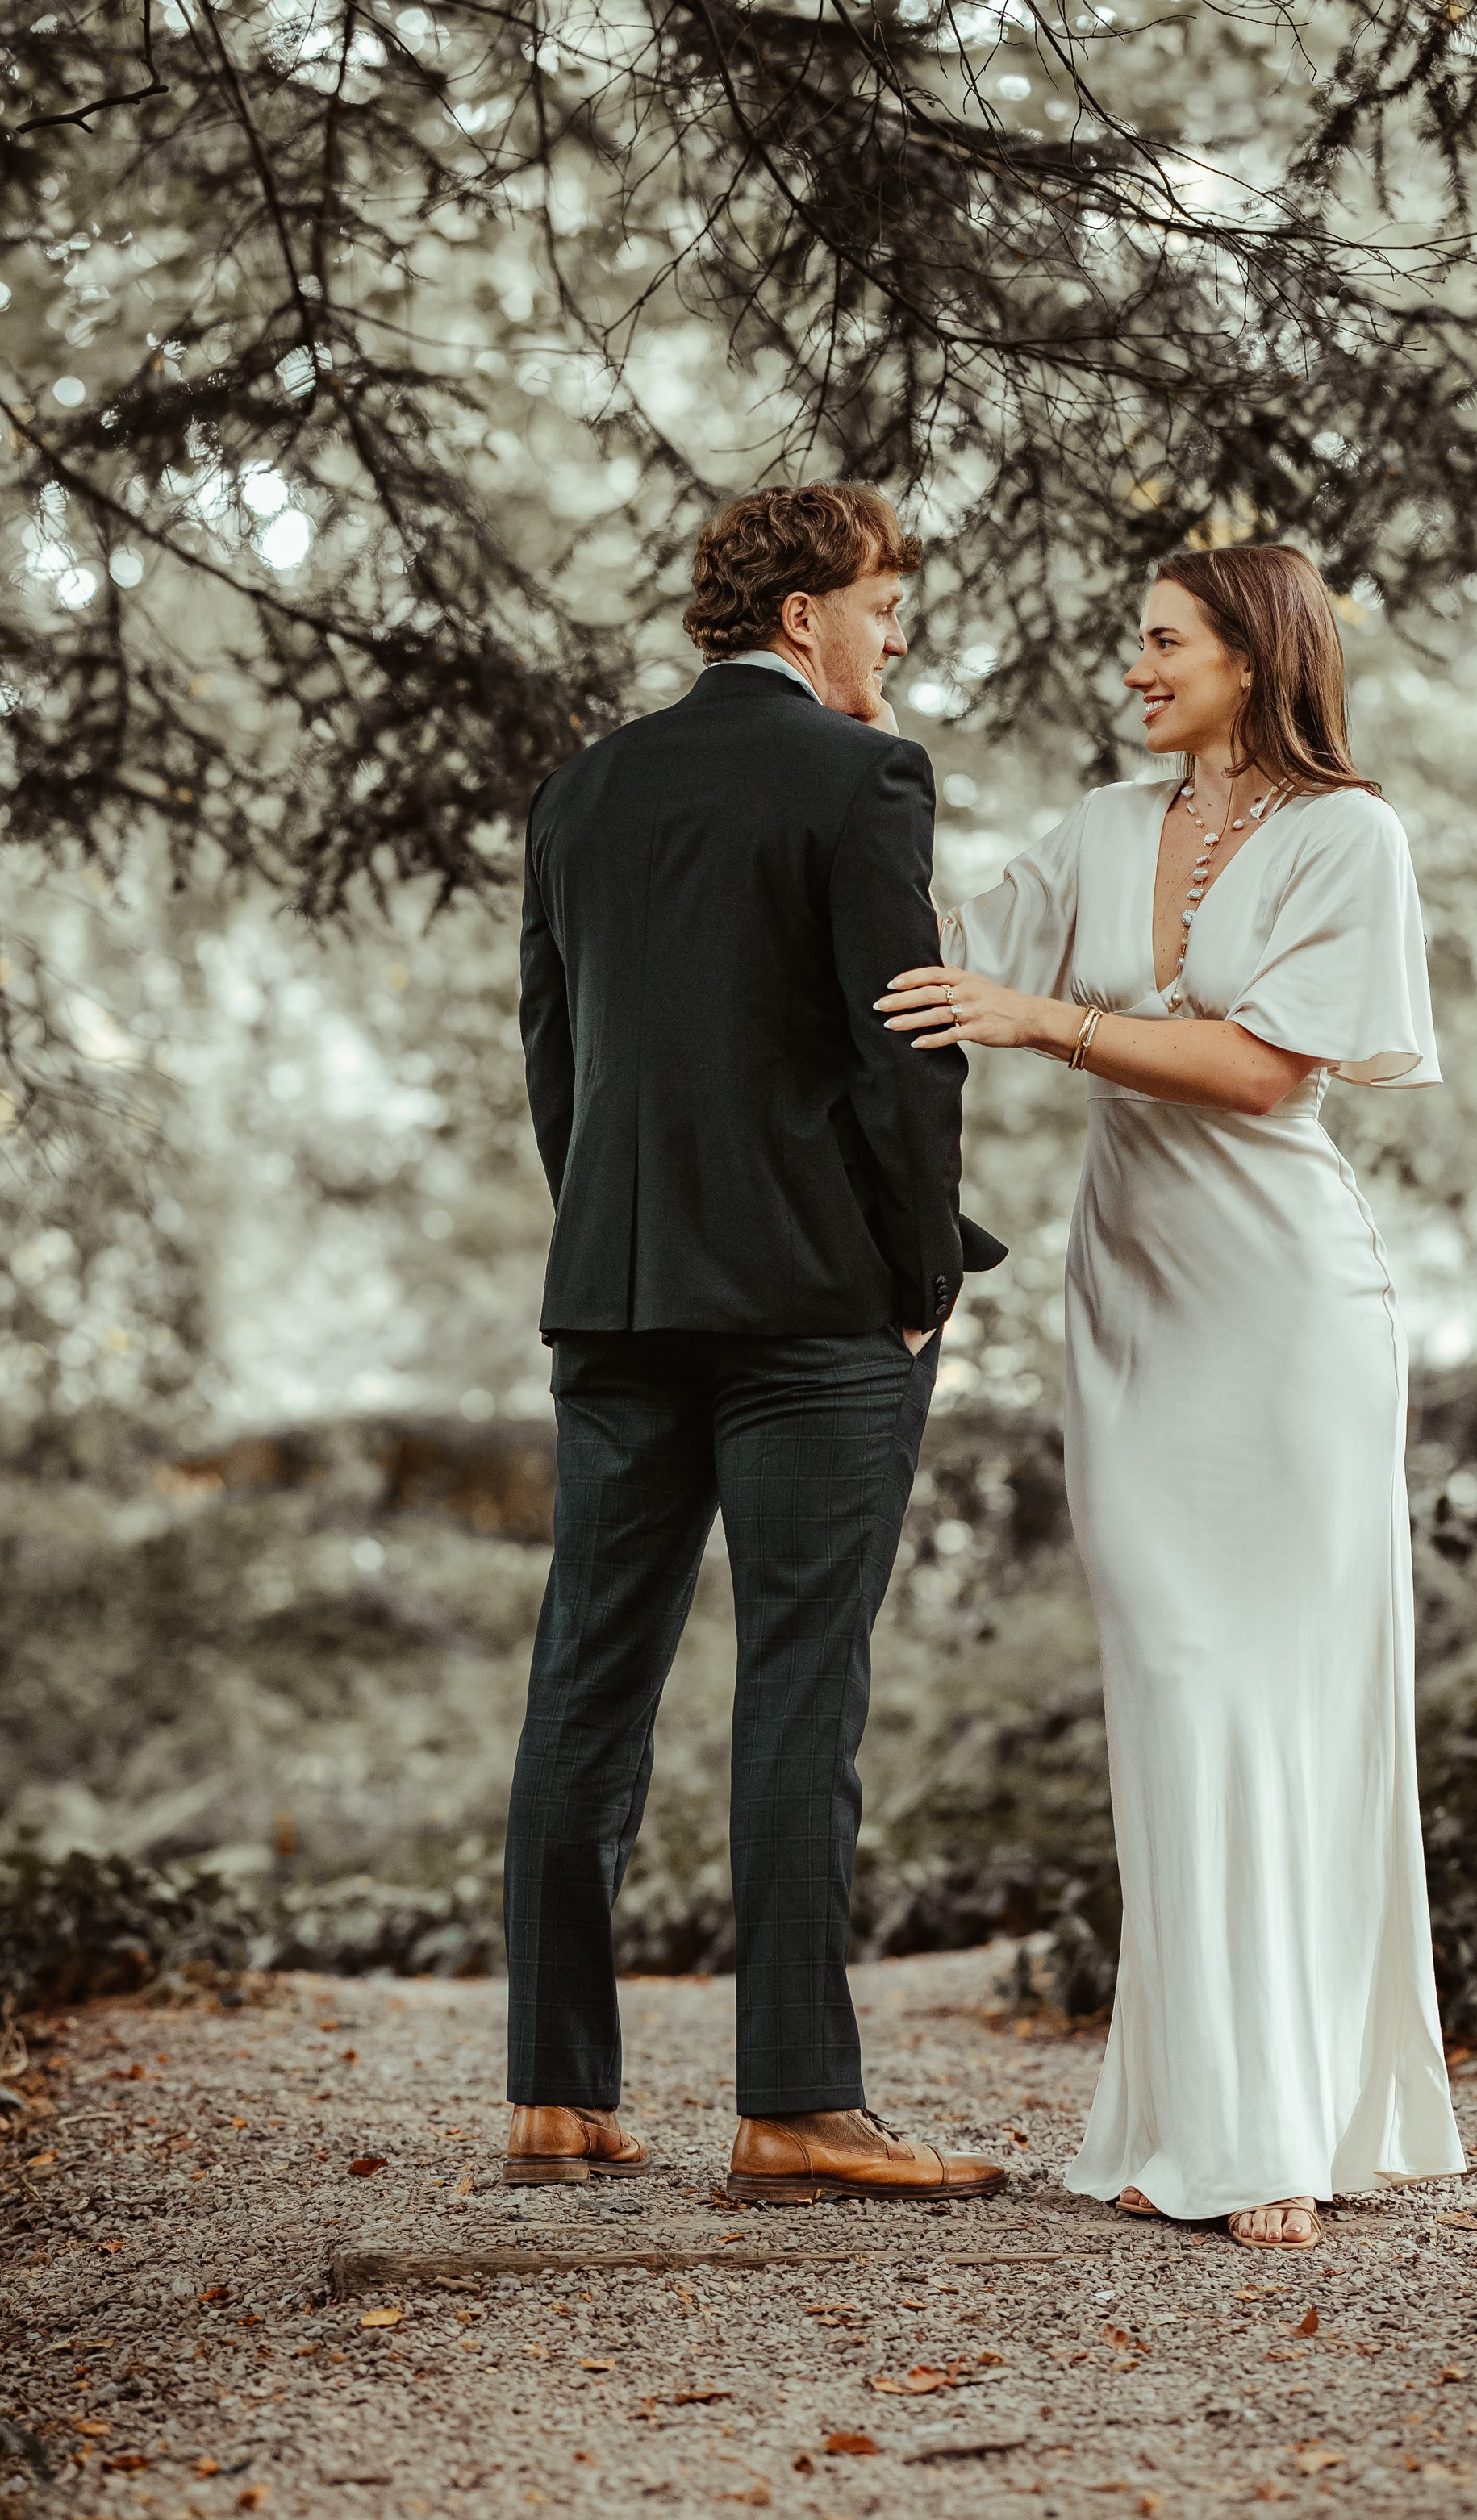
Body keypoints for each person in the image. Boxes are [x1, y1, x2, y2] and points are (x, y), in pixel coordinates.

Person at [877, 544, 1464, 2248]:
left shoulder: (1350, 835)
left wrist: (1044, 1026)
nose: (1130, 666)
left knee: (1277, 1688)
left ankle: (1272, 2126)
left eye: (1158, 642)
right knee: (1173, 1680)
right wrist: (826, 766)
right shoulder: (1089, 830)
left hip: (1285, 1308)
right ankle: (1196, 2111)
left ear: (1245, 655)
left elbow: (1260, 1064)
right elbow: (923, 964)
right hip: (1129, 1302)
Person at [506, 482, 1008, 2205]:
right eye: (883, 605)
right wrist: (919, 1269)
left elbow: (555, 1066)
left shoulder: (580, 789)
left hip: (617, 1295)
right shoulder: (863, 777)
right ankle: (794, 2101)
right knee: (800, 1677)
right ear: (805, 614)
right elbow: (903, 1053)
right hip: (812, 1307)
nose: (893, 636)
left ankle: (555, 2099)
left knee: (586, 1676)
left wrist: (615, 1239)